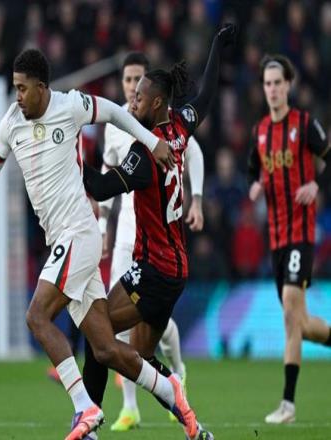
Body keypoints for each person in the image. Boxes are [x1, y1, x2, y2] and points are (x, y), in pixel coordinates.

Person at [0, 48, 201, 440]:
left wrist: (150, 141)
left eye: (23, 88)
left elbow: (113, 111)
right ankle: (171, 390)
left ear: (42, 87)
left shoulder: (70, 105)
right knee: (105, 347)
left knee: (36, 316)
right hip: (60, 239)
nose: (18, 96)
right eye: (15, 88)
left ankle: (85, 408)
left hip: (79, 232)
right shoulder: (11, 122)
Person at [82, 23, 238, 440]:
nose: (131, 102)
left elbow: (101, 188)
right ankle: (193, 424)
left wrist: (70, 156)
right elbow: (206, 95)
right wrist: (217, 46)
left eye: (138, 97)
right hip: (176, 270)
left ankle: (88, 423)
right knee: (141, 358)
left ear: (155, 103)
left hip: (153, 269)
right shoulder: (180, 128)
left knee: (97, 332)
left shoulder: (144, 152)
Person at [98, 51, 205, 431]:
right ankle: (152, 411)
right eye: (128, 83)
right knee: (130, 343)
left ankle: (174, 375)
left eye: (139, 86)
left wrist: (197, 198)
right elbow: (108, 171)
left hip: (155, 257)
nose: (133, 92)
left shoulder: (154, 138)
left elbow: (104, 184)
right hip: (146, 250)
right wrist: (103, 224)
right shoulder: (141, 125)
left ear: (154, 97)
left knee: (109, 328)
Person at [247, 54, 331, 424]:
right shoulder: (261, 131)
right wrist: (254, 185)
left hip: (301, 233)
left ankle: (288, 405)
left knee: (289, 315)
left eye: (278, 83)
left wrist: (316, 184)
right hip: (276, 238)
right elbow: (253, 169)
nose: (272, 89)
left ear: (288, 85)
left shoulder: (304, 124)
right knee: (300, 322)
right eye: (267, 84)